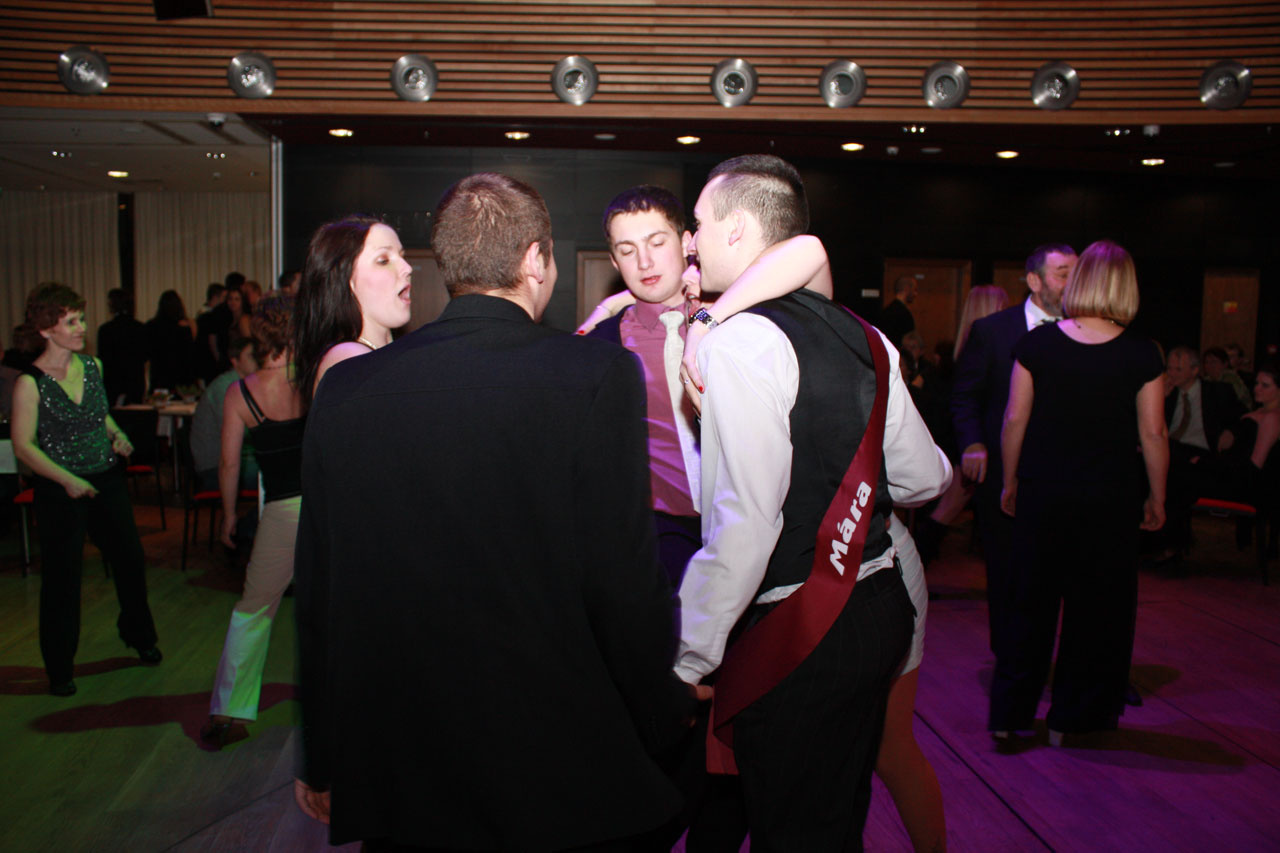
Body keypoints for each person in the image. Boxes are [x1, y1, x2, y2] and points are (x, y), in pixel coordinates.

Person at [293, 174, 696, 850]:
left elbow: (321, 588)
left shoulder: (348, 389)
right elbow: (621, 577)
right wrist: (663, 708)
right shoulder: (595, 374)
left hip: (406, 754)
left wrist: (324, 752)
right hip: (550, 751)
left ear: (448, 265)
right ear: (536, 260)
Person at [674, 155, 951, 850]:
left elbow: (745, 525)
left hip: (800, 632)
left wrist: (687, 657)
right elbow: (925, 479)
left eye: (699, 224)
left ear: (738, 229)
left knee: (795, 829)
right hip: (881, 610)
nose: (690, 241)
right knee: (836, 817)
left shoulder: (740, 345)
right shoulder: (865, 334)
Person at [993, 240, 1168, 743]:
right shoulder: (1142, 353)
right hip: (1110, 499)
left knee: (1029, 606)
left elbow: (1015, 419)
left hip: (1044, 492)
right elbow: (1153, 433)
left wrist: (1010, 480)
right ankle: (1074, 721)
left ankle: (1010, 719)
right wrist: (1158, 496)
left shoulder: (1038, 345)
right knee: (1098, 613)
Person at [10, 282, 162, 697]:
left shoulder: (93, 366)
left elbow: (98, 415)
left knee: (130, 561)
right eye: (72, 321)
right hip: (59, 490)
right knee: (63, 579)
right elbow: (24, 446)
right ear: (46, 329)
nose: (82, 327)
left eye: (81, 319)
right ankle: (60, 668)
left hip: (106, 480)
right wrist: (67, 479)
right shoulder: (30, 383)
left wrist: (117, 435)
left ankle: (139, 634)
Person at [950, 243, 1076, 658]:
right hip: (1004, 471)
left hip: (1064, 474)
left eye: (1077, 273)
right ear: (1035, 281)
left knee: (1062, 573)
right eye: (1063, 273)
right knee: (1007, 570)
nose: (1073, 282)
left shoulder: (1084, 330)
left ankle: (1057, 660)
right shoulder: (994, 331)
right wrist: (972, 442)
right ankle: (1011, 662)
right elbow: (965, 395)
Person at [200, 293, 306, 748]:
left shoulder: (240, 392)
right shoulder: (317, 380)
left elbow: (228, 464)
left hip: (283, 512)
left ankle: (228, 712)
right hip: (329, 507)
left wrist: (228, 515)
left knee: (254, 610)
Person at [293, 215, 414, 402]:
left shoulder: (377, 355)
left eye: (402, 256)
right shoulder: (349, 357)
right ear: (346, 280)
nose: (407, 268)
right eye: (383, 260)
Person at [1158, 345, 1244, 559]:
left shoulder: (1218, 392)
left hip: (1201, 456)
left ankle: (1171, 545)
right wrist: (1160, 399)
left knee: (1176, 474)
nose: (1171, 374)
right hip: (1172, 452)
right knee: (1156, 468)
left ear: (1195, 370)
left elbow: (1242, 418)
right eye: (1169, 368)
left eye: (1178, 369)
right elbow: (1152, 429)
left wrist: (1231, 432)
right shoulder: (1165, 392)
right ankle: (1156, 541)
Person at [189, 335, 258, 493]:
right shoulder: (226, 387)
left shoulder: (244, 384)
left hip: (232, 461)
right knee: (280, 473)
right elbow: (240, 432)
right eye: (250, 355)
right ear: (235, 361)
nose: (257, 360)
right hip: (215, 468)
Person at [96, 288, 149, 405]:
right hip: (135, 381)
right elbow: (145, 356)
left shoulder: (105, 330)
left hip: (112, 382)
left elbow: (102, 358)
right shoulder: (140, 328)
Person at [145, 289, 196, 393]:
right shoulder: (185, 328)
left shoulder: (151, 326)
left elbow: (147, 353)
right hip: (181, 378)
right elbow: (190, 356)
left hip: (159, 376)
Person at [879, 274, 917, 353]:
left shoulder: (886, 311)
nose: (915, 294)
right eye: (914, 290)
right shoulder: (905, 314)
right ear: (907, 289)